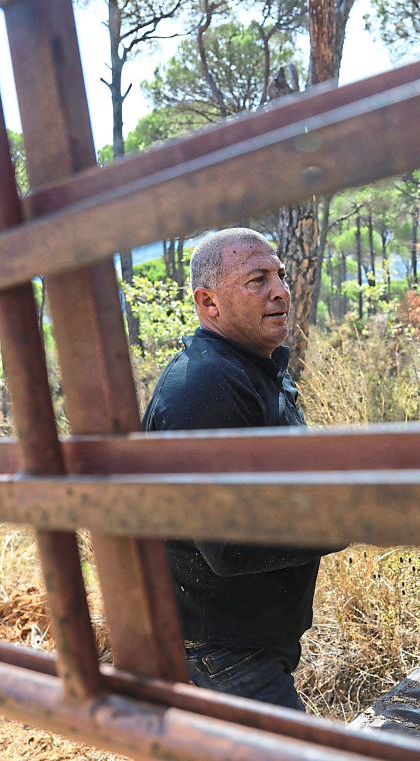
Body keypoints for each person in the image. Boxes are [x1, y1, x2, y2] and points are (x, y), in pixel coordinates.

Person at [142, 227, 340, 711]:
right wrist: (347, 518)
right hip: (222, 653)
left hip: (246, 642)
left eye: (280, 274)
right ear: (209, 303)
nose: (281, 290)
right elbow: (228, 544)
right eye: (257, 279)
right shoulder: (205, 386)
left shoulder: (252, 368)